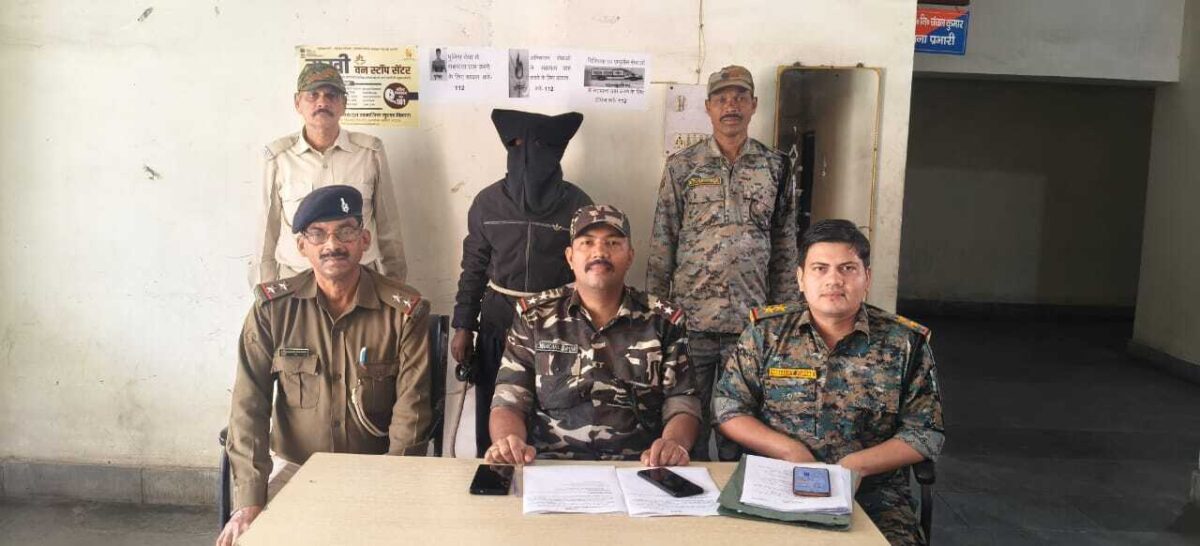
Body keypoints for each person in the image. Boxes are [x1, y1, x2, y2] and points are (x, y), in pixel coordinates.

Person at [219, 186, 432, 546]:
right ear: (302, 246)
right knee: (247, 538)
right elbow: (248, 406)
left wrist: (393, 488)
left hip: (376, 469)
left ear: (364, 240)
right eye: (317, 234)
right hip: (295, 467)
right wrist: (249, 501)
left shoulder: (403, 312)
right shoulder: (272, 311)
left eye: (345, 231)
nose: (332, 244)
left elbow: (412, 414)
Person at [714, 219, 944, 546]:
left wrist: (856, 467)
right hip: (778, 482)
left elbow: (926, 431)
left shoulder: (905, 343)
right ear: (800, 278)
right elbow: (728, 408)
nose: (833, 280)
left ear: (867, 278)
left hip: (872, 494)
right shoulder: (766, 334)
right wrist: (788, 450)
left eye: (847, 268)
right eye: (820, 269)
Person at [647, 64, 799, 461]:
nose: (731, 106)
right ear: (708, 107)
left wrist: (785, 317)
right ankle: (689, 496)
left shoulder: (776, 166)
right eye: (721, 99)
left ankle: (738, 496)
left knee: (741, 427)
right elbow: (663, 239)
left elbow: (785, 245)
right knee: (686, 422)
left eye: (739, 97)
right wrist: (656, 314)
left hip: (750, 324)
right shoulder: (683, 165)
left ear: (754, 105)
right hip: (690, 321)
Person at [484, 205, 699, 466]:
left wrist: (674, 443)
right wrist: (508, 442)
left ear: (630, 256)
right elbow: (509, 400)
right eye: (587, 243)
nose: (600, 252)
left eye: (613, 243)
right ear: (569, 256)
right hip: (551, 467)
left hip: (639, 468)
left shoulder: (663, 322)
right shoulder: (535, 317)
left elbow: (682, 402)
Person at [451, 109, 592, 457]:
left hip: (558, 329)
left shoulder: (578, 205)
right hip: (498, 323)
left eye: (541, 146)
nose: (528, 157)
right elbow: (473, 268)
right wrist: (463, 326)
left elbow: (589, 273)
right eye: (517, 145)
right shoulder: (487, 202)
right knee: (495, 416)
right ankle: (495, 479)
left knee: (555, 418)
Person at [255, 63, 406, 284]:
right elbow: (266, 233)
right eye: (312, 95)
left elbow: (388, 226)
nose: (322, 102)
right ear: (297, 103)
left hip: (359, 280)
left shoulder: (369, 153)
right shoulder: (279, 158)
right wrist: (264, 291)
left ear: (344, 104)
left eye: (331, 95)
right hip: (298, 280)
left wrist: (395, 284)